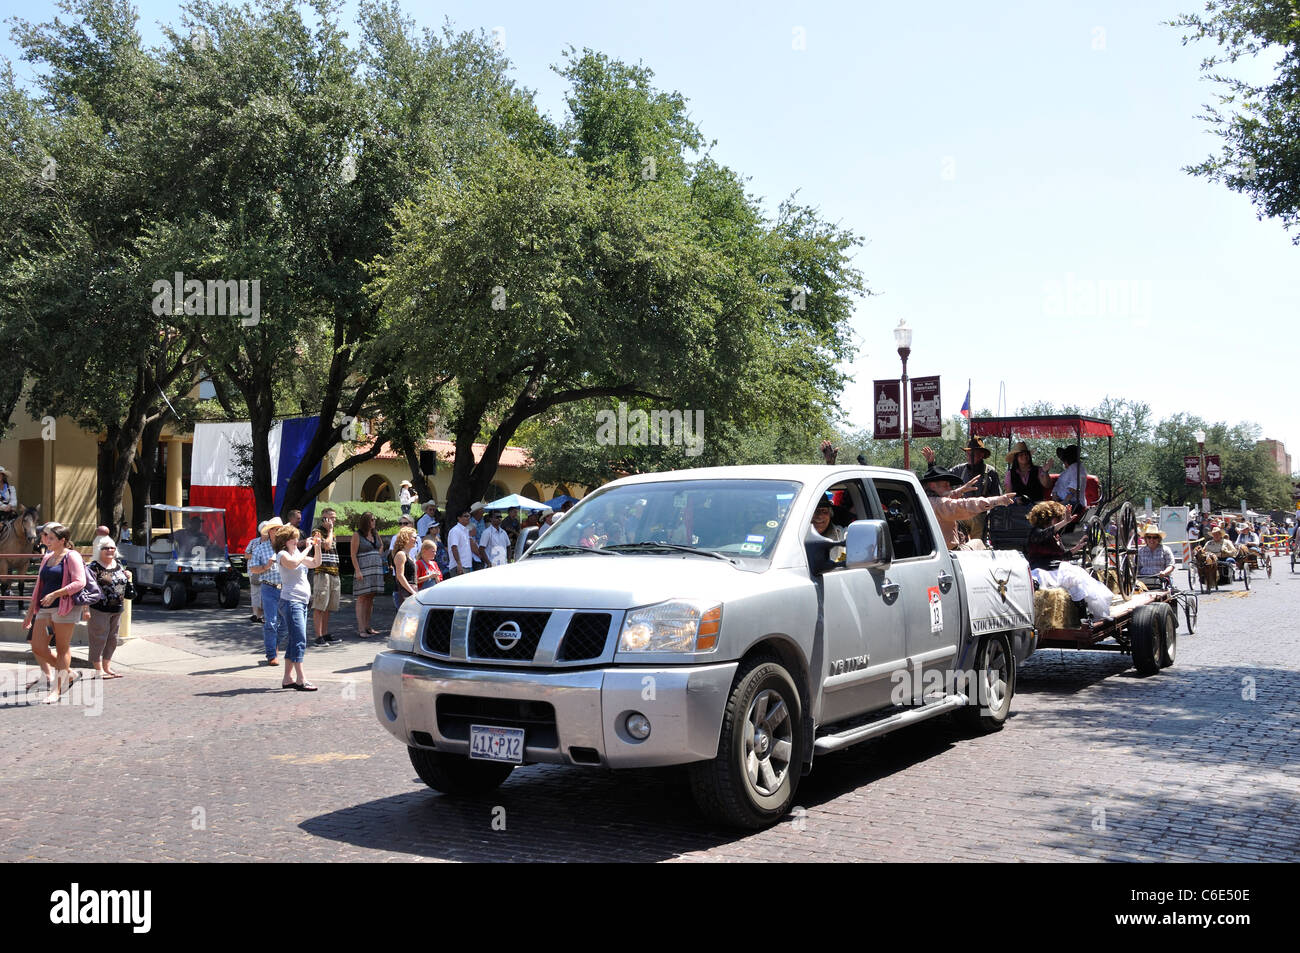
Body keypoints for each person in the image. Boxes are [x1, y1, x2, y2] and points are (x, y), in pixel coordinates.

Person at [23, 522, 86, 703]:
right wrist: (30, 612)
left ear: (62, 540)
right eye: (46, 537)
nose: (46, 541)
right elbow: (38, 586)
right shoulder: (47, 557)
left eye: (51, 538)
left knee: (61, 648)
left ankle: (57, 690)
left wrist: (56, 593)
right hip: (44, 607)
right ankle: (68, 673)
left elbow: (79, 582)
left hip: (64, 607)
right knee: (37, 647)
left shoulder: (72, 556)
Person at [1025, 501, 1113, 619]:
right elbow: (1043, 535)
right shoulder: (1036, 532)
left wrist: (1077, 547)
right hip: (1041, 570)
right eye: (1058, 519)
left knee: (1076, 579)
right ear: (1049, 518)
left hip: (1056, 570)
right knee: (1071, 576)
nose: (1060, 521)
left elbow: (1061, 556)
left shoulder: (1055, 535)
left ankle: (1082, 616)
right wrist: (1065, 522)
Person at [272, 524, 321, 691]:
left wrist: (317, 547)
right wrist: (307, 548)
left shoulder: (296, 553)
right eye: (293, 538)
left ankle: (287, 678)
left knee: (294, 640)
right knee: (300, 639)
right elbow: (293, 564)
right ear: (285, 541)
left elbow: (315, 563)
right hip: (291, 602)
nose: (296, 540)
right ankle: (301, 679)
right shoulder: (282, 554)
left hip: (301, 602)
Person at [920, 466, 1016, 550]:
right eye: (946, 485)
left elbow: (946, 496)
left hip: (935, 551)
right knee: (978, 543)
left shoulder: (924, 500)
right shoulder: (939, 504)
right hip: (949, 553)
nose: (949, 488)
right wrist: (997, 500)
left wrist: (960, 491)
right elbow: (964, 505)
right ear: (932, 486)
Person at [83, 538, 133, 678]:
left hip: (117, 608)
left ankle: (107, 667)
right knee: (98, 638)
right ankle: (98, 670)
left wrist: (127, 575)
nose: (110, 550)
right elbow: (85, 589)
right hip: (98, 608)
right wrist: (85, 609)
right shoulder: (93, 567)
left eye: (112, 548)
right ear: (99, 550)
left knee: (113, 639)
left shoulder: (118, 564)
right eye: (106, 548)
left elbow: (121, 583)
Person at [247, 516, 285, 665]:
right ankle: (271, 654)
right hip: (269, 587)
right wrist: (266, 566)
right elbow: (253, 568)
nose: (278, 532)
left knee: (287, 622)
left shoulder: (287, 546)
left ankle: (274, 644)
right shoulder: (261, 548)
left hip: (286, 588)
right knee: (271, 622)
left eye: (280, 529)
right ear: (269, 532)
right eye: (275, 529)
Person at [350, 511, 385, 637]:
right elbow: (353, 554)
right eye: (372, 520)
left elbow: (381, 546)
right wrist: (358, 570)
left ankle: (368, 626)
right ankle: (361, 629)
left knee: (370, 597)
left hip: (375, 569)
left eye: (374, 519)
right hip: (363, 569)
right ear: (366, 521)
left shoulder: (375, 533)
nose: (374, 521)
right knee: (362, 597)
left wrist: (377, 553)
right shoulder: (357, 535)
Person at [310, 509, 341, 647]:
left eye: (334, 518)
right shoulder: (317, 532)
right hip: (322, 572)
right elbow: (326, 546)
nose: (334, 521)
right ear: (325, 519)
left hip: (333, 571)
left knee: (328, 605)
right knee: (320, 605)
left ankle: (325, 633)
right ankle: (318, 636)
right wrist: (329, 532)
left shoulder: (331, 533)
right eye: (331, 518)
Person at [1051, 445, 1089, 511]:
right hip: (1064, 501)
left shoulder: (1075, 468)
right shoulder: (1071, 469)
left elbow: (1074, 488)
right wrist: (1054, 495)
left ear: (1066, 459)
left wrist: (1063, 503)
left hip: (1073, 504)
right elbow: (1058, 485)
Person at [390, 526, 419, 609]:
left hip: (409, 591)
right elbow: (400, 576)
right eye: (414, 537)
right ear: (406, 538)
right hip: (403, 593)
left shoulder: (408, 555)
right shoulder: (401, 555)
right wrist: (412, 591)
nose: (416, 540)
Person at [246, 521, 268, 624]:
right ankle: (255, 614)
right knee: (255, 592)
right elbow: (246, 555)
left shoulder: (272, 543)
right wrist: (256, 556)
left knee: (265, 593)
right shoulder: (253, 542)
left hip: (268, 572)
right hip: (254, 571)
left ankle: (261, 615)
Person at [811, 497, 846, 562]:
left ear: (830, 514)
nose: (820, 516)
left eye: (824, 511)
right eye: (815, 511)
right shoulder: (796, 538)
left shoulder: (842, 535)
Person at [447, 510, 475, 577]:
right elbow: (454, 548)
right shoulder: (455, 530)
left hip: (466, 566)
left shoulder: (466, 530)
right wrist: (459, 564)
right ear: (458, 518)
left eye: (469, 516)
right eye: (465, 516)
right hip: (458, 567)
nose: (468, 518)